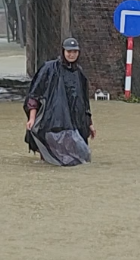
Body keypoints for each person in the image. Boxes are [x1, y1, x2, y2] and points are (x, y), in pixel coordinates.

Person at [23, 38, 96, 166]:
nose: (71, 54)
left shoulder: (79, 73)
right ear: (63, 51)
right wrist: (32, 118)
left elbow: (83, 102)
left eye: (74, 51)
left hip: (74, 121)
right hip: (52, 120)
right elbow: (35, 94)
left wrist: (89, 124)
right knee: (49, 155)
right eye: (69, 51)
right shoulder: (49, 68)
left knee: (77, 159)